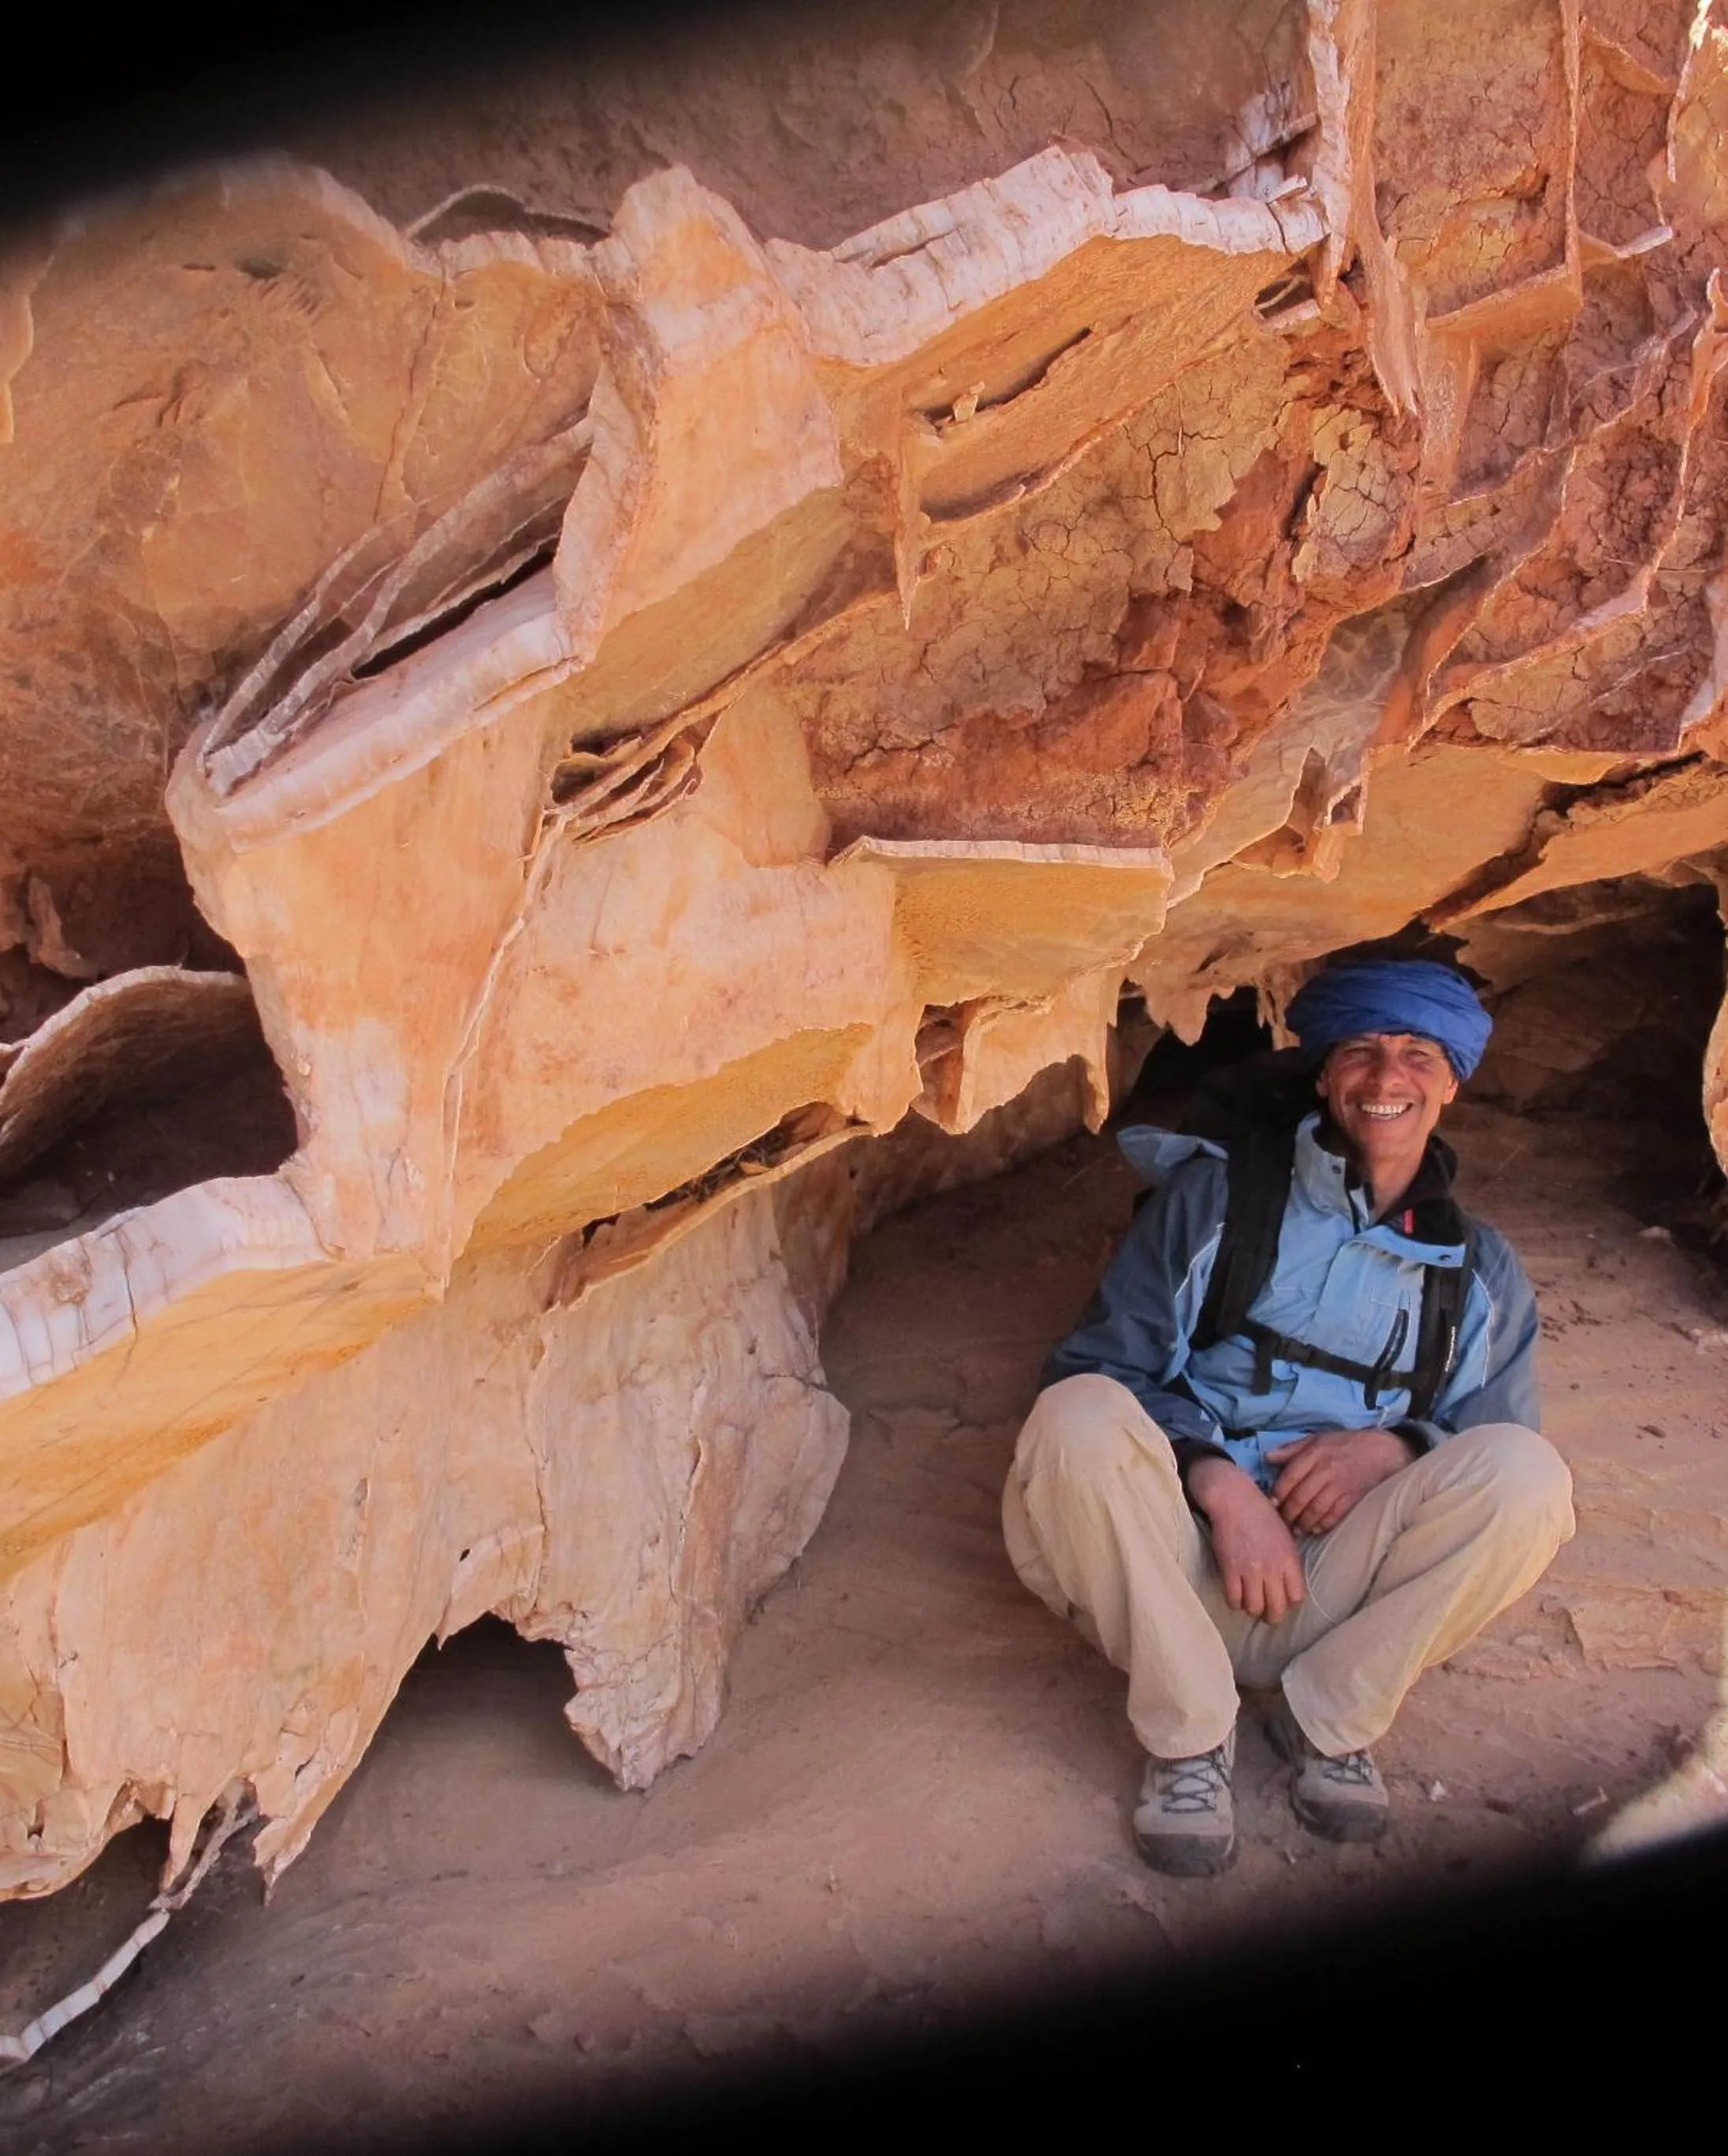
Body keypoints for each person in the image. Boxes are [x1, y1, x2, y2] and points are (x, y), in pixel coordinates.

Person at [1003, 958, 1575, 1875]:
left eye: (1417, 1054)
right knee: (1075, 1416)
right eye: (1361, 1050)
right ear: (1323, 1073)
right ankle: (1189, 1738)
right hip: (1174, 1567)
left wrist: (1391, 1447)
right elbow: (1100, 1362)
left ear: (1451, 1084)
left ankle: (1331, 1716)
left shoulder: (1479, 1271)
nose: (1386, 1078)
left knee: (1526, 1476)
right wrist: (1220, 1485)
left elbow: (1488, 1431)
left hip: (1336, 1580)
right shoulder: (1219, 1202)